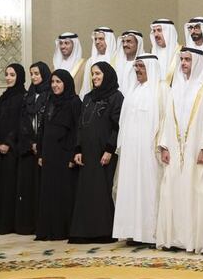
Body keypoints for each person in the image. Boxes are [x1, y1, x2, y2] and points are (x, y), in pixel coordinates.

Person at [156, 47, 203, 254]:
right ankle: (178, 239)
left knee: (201, 193)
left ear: (198, 62)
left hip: (198, 151)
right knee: (175, 191)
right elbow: (167, 117)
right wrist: (164, 145)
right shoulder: (177, 87)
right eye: (181, 59)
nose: (183, 63)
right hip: (176, 150)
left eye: (187, 60)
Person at [112, 55, 168, 245]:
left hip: (151, 151)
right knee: (130, 189)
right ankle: (132, 232)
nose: (137, 70)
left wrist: (163, 145)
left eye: (141, 66)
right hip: (131, 151)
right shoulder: (133, 90)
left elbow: (166, 119)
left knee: (149, 189)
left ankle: (150, 234)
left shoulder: (161, 90)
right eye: (136, 66)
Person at [69, 62, 123, 243]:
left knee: (102, 191)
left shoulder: (116, 97)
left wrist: (109, 149)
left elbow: (117, 127)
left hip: (104, 152)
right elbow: (80, 126)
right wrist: (78, 149)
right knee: (87, 192)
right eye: (92, 74)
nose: (94, 77)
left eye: (98, 74)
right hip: (87, 152)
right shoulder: (88, 97)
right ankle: (84, 232)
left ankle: (104, 232)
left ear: (106, 75)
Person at [35, 69, 81, 241]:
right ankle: (49, 230)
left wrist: (73, 154)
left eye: (58, 82)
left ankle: (63, 230)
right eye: (53, 82)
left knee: (64, 193)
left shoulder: (74, 102)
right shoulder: (50, 101)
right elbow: (43, 128)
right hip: (49, 154)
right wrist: (40, 152)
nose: (55, 85)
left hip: (65, 155)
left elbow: (77, 129)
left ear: (66, 83)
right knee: (48, 192)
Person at [0, 63, 26, 235]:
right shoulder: (2, 98)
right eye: (7, 74)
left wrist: (7, 143)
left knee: (10, 186)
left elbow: (20, 125)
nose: (8, 77)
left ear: (19, 77)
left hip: (12, 150)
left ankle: (8, 224)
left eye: (12, 75)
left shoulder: (23, 97)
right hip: (0, 149)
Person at [14, 61, 51, 235]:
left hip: (45, 147)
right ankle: (27, 224)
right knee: (28, 187)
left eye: (37, 73)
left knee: (42, 187)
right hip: (29, 148)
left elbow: (48, 123)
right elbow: (23, 122)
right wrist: (31, 143)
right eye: (32, 74)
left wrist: (40, 143)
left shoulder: (50, 95)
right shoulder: (28, 95)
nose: (34, 77)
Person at [80, 27, 118, 99]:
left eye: (101, 39)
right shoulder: (90, 61)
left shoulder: (117, 59)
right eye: (95, 39)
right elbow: (86, 86)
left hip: (112, 100)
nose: (97, 42)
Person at [150, 19, 181, 85]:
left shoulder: (181, 54)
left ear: (168, 32)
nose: (156, 35)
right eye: (154, 31)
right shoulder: (153, 53)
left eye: (159, 30)